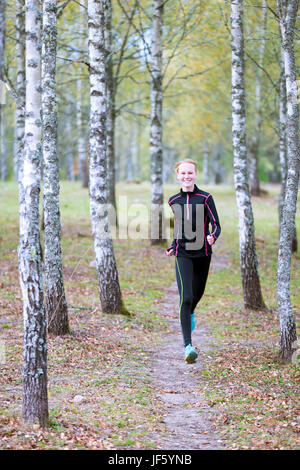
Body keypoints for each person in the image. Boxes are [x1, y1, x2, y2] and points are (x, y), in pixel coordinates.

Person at [165, 159, 221, 364]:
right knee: (185, 297)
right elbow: (180, 227)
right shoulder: (173, 200)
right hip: (183, 253)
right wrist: (173, 245)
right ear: (178, 175)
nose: (186, 177)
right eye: (183, 173)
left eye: (190, 173)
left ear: (195, 174)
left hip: (203, 253)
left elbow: (216, 224)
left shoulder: (206, 198)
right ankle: (188, 346)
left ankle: (190, 314)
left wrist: (213, 236)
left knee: (197, 295)